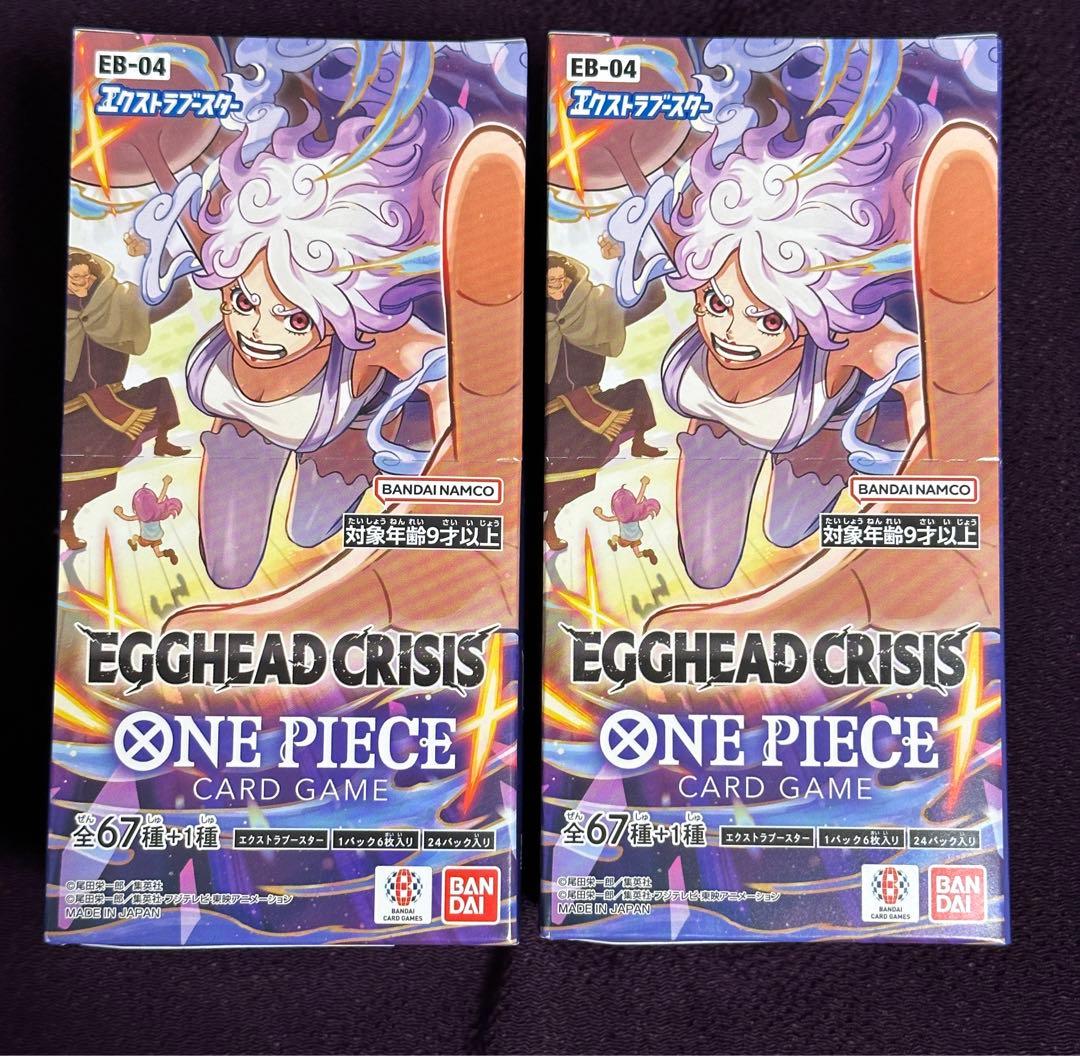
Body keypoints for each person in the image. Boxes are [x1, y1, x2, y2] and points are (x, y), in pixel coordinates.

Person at [61, 236, 190, 550]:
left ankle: (161, 441)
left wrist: (154, 251)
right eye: (75, 277)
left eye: (88, 277)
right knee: (76, 476)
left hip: (109, 402)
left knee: (157, 390)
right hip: (69, 412)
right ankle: (66, 525)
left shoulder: (117, 306)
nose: (82, 283)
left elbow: (179, 294)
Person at [544, 235, 667, 551]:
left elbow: (654, 296)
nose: (557, 287)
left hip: (589, 400)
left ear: (571, 279)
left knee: (635, 391)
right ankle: (547, 524)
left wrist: (628, 254)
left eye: (561, 280)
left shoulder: (596, 306)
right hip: (550, 411)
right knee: (560, 474)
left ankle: (639, 440)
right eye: (549, 282)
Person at [114, 476, 182, 564]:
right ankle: (167, 553)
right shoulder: (158, 511)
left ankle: (133, 544)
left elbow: (128, 518)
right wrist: (166, 484)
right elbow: (161, 498)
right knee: (158, 554)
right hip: (157, 536)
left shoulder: (140, 516)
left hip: (146, 538)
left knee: (135, 537)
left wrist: (119, 513)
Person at [594, 476, 660, 564]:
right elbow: (639, 498)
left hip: (625, 538)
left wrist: (599, 514)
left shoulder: (620, 517)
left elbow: (607, 519)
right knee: (638, 554)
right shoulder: (636, 512)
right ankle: (647, 553)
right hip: (636, 536)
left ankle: (613, 544)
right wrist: (644, 484)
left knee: (614, 537)